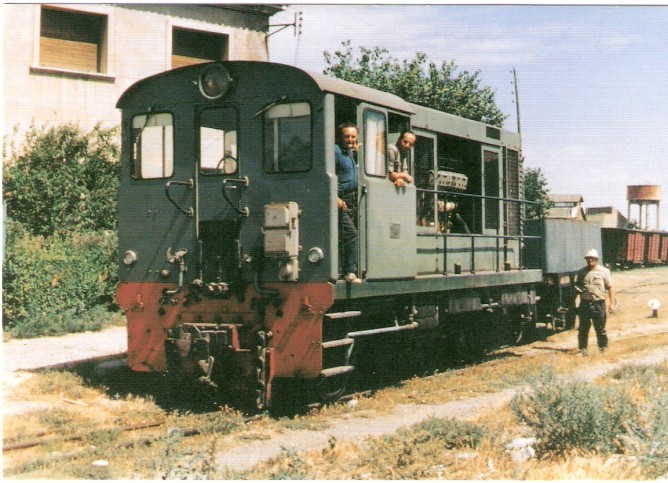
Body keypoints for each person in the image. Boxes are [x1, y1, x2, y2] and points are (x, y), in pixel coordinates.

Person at [335, 122, 362, 284]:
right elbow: (326, 175)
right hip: (339, 199)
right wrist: (336, 198)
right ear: (341, 137)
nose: (350, 139)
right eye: (347, 136)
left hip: (350, 199)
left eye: (353, 136)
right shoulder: (336, 152)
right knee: (351, 234)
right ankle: (349, 272)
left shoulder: (349, 154)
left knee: (347, 234)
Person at [574, 248, 614, 356]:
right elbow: (577, 286)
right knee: (583, 329)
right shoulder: (581, 272)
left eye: (592, 259)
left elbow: (610, 288)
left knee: (600, 328)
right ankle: (583, 350)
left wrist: (611, 304)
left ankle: (603, 348)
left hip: (598, 304)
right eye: (588, 259)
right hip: (585, 304)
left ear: (597, 259)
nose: (590, 260)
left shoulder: (604, 272)